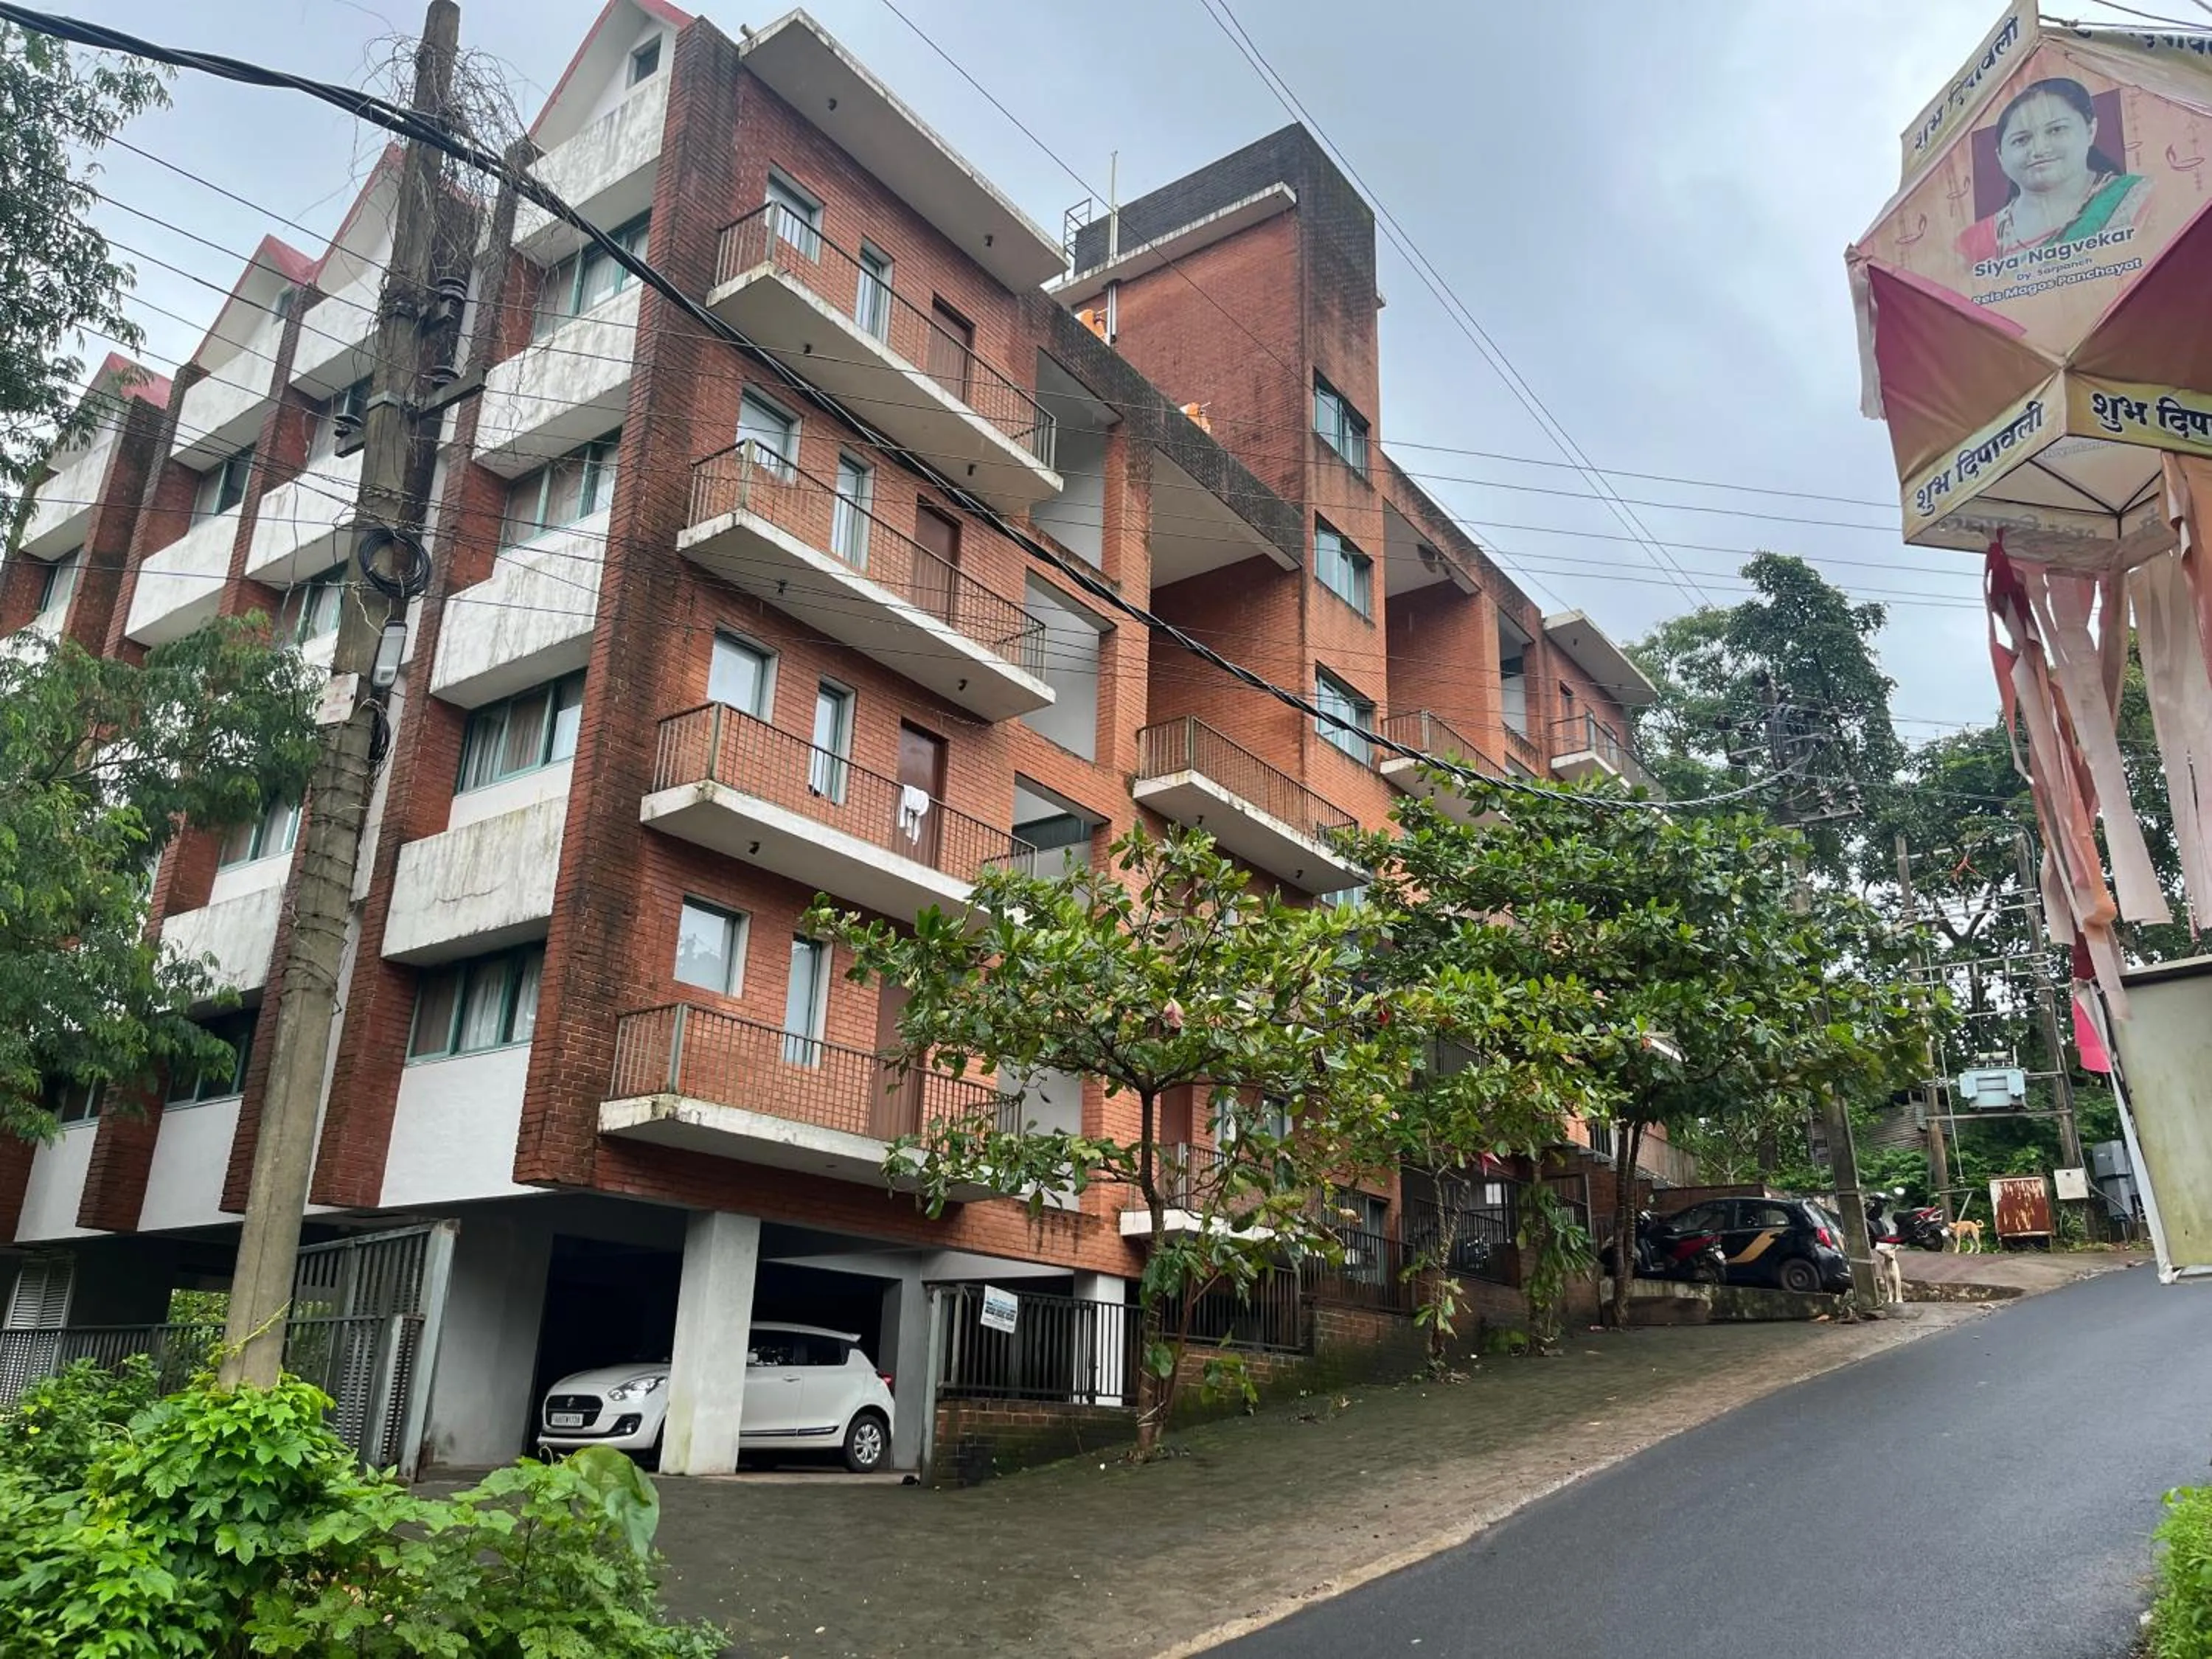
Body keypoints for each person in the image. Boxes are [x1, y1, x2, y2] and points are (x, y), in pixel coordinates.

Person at [1955, 76, 2149, 263]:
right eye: (2021, 140)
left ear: (2091, 131)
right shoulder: (1972, 244)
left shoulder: (2138, 199)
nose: (2038, 150)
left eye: (2056, 130)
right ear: (2000, 157)